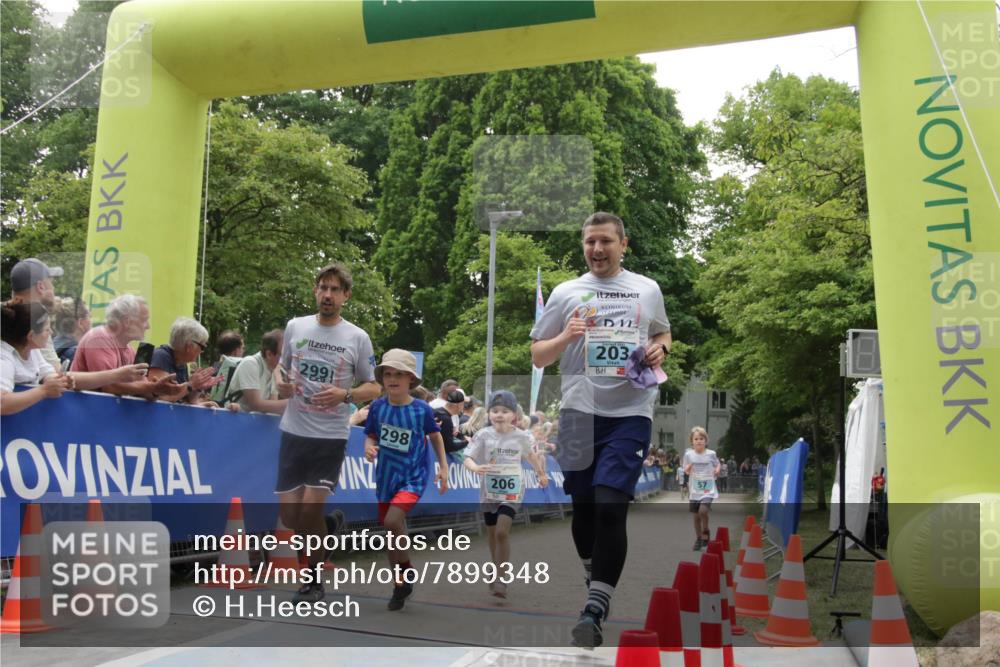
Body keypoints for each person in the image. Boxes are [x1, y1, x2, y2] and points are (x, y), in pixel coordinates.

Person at [530, 212, 671, 648]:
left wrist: (658, 350)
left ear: (623, 244)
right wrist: (567, 336)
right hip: (577, 413)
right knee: (585, 508)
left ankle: (595, 606)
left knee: (611, 506)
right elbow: (538, 356)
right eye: (590, 242)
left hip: (631, 412)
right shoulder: (566, 293)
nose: (597, 249)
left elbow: (664, 333)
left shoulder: (646, 289)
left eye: (606, 241)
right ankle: (595, 571)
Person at [273, 263, 380, 603]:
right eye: (323, 288)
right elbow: (281, 365)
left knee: (307, 512)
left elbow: (374, 386)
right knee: (290, 518)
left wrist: (345, 395)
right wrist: (280, 381)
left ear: (346, 296)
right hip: (294, 430)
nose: (328, 295)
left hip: (330, 435)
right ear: (315, 291)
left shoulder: (357, 337)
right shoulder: (296, 326)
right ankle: (329, 528)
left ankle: (313, 579)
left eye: (335, 290)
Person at [363, 349, 448, 610]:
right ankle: (401, 582)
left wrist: (443, 467)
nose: (393, 378)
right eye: (388, 374)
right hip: (385, 477)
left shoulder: (420, 408)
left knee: (392, 521)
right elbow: (371, 435)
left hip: (413, 476)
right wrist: (368, 446)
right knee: (391, 533)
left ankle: (405, 573)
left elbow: (435, 436)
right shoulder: (377, 407)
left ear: (411, 379)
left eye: (399, 374)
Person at [464, 390, 548, 599]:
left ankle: (502, 576)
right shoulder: (483, 435)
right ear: (489, 414)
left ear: (514, 416)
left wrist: (541, 474)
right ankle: (496, 567)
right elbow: (467, 457)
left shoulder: (521, 436)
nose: (499, 415)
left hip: (513, 490)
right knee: (492, 533)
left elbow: (531, 456)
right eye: (495, 411)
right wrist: (474, 467)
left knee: (502, 532)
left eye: (504, 411)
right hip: (489, 491)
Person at [1, 301, 147, 415]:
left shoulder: (34, 352)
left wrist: (117, 374)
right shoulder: (4, 359)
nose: (51, 332)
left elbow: (63, 378)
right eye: (47, 329)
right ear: (31, 336)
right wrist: (43, 391)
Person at [70, 294, 187, 400]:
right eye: (145, 320)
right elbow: (108, 387)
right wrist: (152, 387)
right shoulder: (99, 338)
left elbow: (145, 389)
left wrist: (158, 389)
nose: (148, 326)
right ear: (127, 322)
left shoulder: (130, 351)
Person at [148, 317, 224, 406]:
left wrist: (198, 387)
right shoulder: (161, 356)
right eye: (202, 347)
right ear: (189, 346)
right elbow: (162, 398)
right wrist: (191, 385)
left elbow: (189, 399)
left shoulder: (181, 362)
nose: (201, 351)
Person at [9, 258, 62, 368]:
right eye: (51, 283)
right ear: (40, 287)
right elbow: (57, 372)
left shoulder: (7, 315)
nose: (54, 288)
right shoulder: (38, 321)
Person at [224, 329, 286, 414]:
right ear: (269, 354)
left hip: (252, 423)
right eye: (283, 355)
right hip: (234, 421)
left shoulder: (274, 370)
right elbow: (255, 405)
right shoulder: (250, 363)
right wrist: (292, 404)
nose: (287, 359)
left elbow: (273, 406)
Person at [683, 427, 721, 550]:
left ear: (706, 440)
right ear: (692, 441)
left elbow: (717, 464)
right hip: (695, 489)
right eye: (696, 439)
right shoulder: (688, 455)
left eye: (701, 438)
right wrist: (688, 469)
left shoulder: (711, 454)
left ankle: (706, 530)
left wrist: (717, 470)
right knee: (696, 516)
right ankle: (699, 539)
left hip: (708, 488)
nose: (699, 441)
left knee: (702, 511)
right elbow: (686, 470)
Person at [52, 296, 91, 366]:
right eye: (90, 316)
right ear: (81, 323)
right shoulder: (77, 354)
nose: (91, 321)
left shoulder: (50, 347)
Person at [433, 389, 467, 453]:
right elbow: (449, 447)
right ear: (459, 405)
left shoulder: (435, 411)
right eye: (463, 405)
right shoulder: (446, 420)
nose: (463, 408)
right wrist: (466, 442)